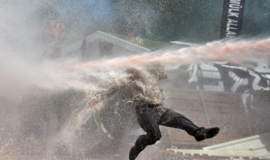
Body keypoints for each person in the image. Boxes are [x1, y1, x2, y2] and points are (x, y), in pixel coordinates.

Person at [88, 64, 220, 160]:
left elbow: (165, 76)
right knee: (155, 135)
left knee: (183, 121)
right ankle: (138, 147)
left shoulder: (155, 72)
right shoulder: (134, 71)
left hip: (160, 109)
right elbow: (117, 85)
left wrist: (162, 70)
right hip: (144, 111)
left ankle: (199, 133)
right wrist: (100, 96)